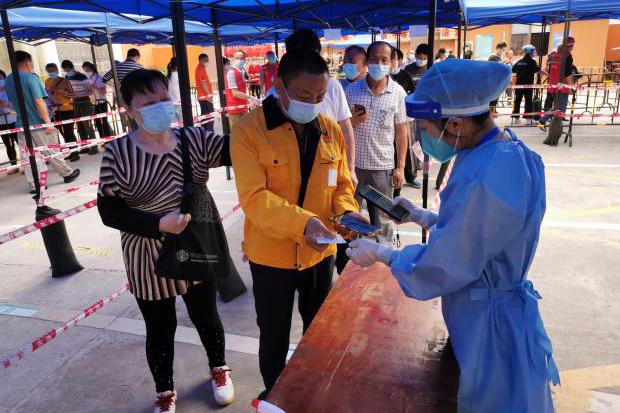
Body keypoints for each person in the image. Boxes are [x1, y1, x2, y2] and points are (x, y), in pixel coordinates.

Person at [346, 59, 558, 413]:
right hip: (488, 308)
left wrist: (384, 255)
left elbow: (449, 261)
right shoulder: (499, 151)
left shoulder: (490, 171)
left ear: (456, 124)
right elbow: (479, 231)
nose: (426, 138)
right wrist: (424, 216)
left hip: (489, 323)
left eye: (427, 129)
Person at [97, 69, 235, 412]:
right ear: (130, 110)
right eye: (149, 103)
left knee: (206, 314)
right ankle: (164, 390)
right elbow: (109, 212)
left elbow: (237, 150)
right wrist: (158, 223)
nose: (160, 107)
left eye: (163, 99)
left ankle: (219, 368)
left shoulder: (195, 139)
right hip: (146, 254)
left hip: (194, 244)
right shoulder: (117, 153)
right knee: (159, 327)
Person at [230, 48, 363, 400]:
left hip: (320, 254)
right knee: (273, 335)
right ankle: (276, 398)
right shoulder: (248, 131)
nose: (313, 103)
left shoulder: (329, 129)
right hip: (270, 257)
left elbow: (342, 185)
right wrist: (306, 224)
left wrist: (347, 212)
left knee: (318, 333)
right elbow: (254, 199)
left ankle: (311, 395)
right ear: (280, 87)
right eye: (305, 95)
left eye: (321, 96)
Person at [345, 41, 409, 244]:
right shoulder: (351, 91)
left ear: (391, 63)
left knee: (383, 224)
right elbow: (341, 126)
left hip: (382, 169)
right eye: (374, 59)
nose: (379, 64)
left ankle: (384, 259)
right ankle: (350, 257)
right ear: (366, 61)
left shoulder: (398, 93)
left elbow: (402, 131)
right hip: (353, 168)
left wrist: (400, 167)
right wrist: (353, 121)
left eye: (384, 60)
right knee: (350, 220)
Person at [284, 29, 357, 186]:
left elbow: (345, 127)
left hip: (329, 165)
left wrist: (350, 168)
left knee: (331, 194)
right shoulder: (278, 91)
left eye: (319, 97)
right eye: (304, 97)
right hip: (292, 172)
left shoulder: (333, 86)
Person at [6, 51, 80, 194]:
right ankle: (67, 173)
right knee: (51, 150)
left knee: (28, 156)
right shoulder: (31, 78)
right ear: (27, 62)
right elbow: (39, 101)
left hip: (21, 125)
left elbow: (11, 102)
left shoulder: (9, 79)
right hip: (38, 123)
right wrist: (47, 122)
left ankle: (35, 184)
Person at [390, 47, 421, 192]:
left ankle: (409, 175)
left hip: (403, 117)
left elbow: (413, 91)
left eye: (394, 59)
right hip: (386, 125)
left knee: (406, 149)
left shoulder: (404, 76)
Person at [538, 37, 575, 133]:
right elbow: (568, 73)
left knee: (557, 106)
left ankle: (543, 121)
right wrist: (571, 87)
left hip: (553, 85)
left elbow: (550, 71)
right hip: (562, 86)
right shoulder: (567, 56)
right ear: (571, 46)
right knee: (561, 109)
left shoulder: (554, 55)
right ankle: (555, 128)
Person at [61, 60, 98, 155]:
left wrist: (79, 95)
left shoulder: (81, 76)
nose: (67, 72)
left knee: (87, 125)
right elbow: (68, 89)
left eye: (68, 70)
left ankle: (94, 148)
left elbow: (91, 91)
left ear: (72, 67)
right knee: (80, 126)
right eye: (65, 70)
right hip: (75, 103)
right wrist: (67, 94)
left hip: (85, 102)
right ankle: (85, 147)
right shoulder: (67, 77)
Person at [45, 63, 79, 161]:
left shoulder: (65, 81)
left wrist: (63, 93)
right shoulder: (47, 82)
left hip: (67, 109)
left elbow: (74, 95)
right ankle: (69, 151)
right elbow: (46, 96)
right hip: (55, 111)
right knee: (61, 132)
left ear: (57, 70)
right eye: (49, 71)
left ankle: (75, 153)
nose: (51, 72)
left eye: (52, 70)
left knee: (69, 131)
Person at [225, 50, 260, 128]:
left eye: (241, 58)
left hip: (242, 108)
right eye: (237, 58)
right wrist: (251, 97)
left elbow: (242, 90)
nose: (239, 60)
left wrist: (249, 101)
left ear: (244, 60)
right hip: (235, 110)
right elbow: (235, 93)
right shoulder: (231, 73)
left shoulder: (242, 72)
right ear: (233, 59)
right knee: (237, 133)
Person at [82, 61, 113, 139]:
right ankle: (102, 139)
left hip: (101, 102)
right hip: (93, 103)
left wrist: (94, 87)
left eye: (87, 70)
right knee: (97, 122)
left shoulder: (99, 78)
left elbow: (104, 92)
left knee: (104, 122)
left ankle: (108, 139)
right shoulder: (87, 80)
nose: (86, 72)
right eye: (85, 71)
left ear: (92, 69)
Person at [512, 45, 539, 124]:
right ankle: (528, 119)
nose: (534, 53)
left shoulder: (519, 61)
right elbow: (536, 69)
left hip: (519, 84)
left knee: (517, 100)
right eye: (533, 52)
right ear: (530, 52)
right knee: (528, 101)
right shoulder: (532, 62)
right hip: (528, 84)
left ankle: (516, 118)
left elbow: (513, 69)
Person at [0, 70, 19, 173]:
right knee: (8, 145)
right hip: (2, 123)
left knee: (20, 142)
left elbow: (19, 105)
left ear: (4, 78)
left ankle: (28, 164)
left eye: (0, 78)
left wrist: (7, 104)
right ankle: (14, 165)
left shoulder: (11, 90)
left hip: (15, 120)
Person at [195, 53, 214, 131]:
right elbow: (203, 83)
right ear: (200, 60)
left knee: (205, 116)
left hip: (203, 97)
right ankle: (209, 132)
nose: (207, 62)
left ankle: (204, 132)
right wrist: (209, 95)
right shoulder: (200, 69)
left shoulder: (201, 68)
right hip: (205, 97)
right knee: (209, 116)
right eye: (205, 60)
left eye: (207, 60)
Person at [166, 57, 182, 122]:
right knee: (184, 123)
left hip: (171, 103)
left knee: (175, 124)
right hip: (179, 102)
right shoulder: (179, 76)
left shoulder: (168, 76)